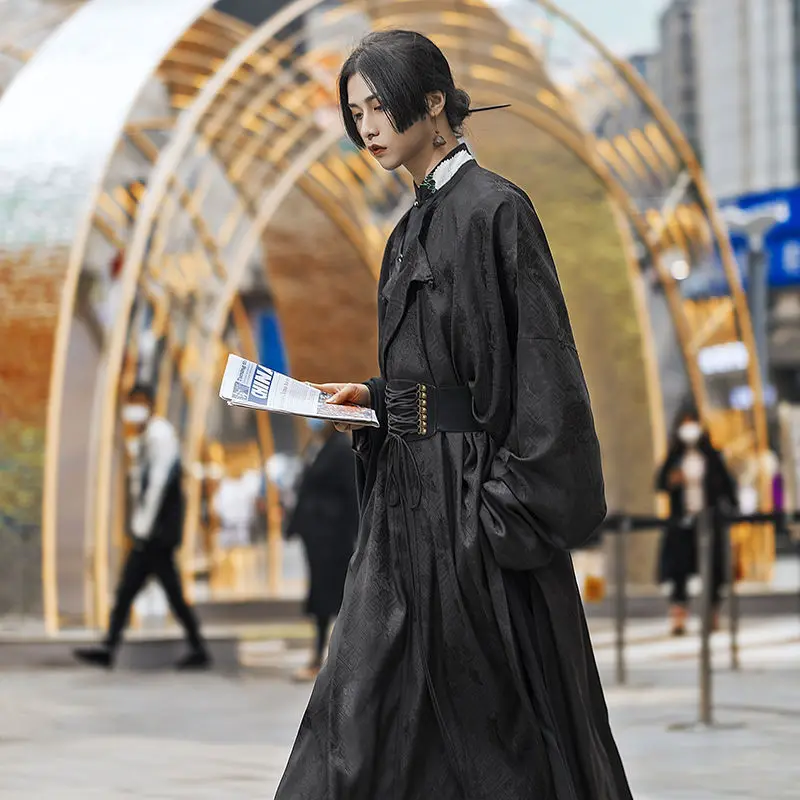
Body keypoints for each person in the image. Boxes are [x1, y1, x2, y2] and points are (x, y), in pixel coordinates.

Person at [275, 30, 632, 799]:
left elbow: (543, 373)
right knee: (356, 721)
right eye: (355, 111)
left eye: (378, 105)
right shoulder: (408, 226)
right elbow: (437, 374)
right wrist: (372, 402)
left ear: (433, 101)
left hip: (472, 521)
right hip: (406, 519)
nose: (366, 125)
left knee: (495, 735)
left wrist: (498, 517)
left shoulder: (496, 210)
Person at [74, 384, 210, 670]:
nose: (132, 409)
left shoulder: (160, 436)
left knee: (143, 590)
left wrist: (142, 528)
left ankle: (111, 647)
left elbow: (158, 486)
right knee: (140, 591)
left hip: (155, 536)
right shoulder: (147, 436)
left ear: (148, 403)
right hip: (153, 534)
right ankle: (112, 647)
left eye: (137, 402)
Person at [285, 419, 358, 682]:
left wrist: (357, 536)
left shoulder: (339, 450)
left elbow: (351, 495)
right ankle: (324, 657)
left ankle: (330, 658)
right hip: (318, 537)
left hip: (332, 538)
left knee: (333, 600)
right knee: (325, 599)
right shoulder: (318, 446)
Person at [656, 408, 737, 636]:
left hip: (709, 522)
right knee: (678, 569)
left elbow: (728, 488)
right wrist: (673, 479)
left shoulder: (712, 456)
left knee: (713, 569)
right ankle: (679, 615)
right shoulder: (674, 456)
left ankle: (712, 614)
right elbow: (660, 482)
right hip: (682, 523)